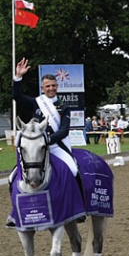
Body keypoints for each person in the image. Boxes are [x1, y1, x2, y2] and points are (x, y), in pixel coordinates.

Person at [7, 58, 84, 226]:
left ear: (57, 87)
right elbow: (17, 96)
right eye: (47, 86)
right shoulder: (36, 102)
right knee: (13, 176)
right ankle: (15, 212)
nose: (50, 89)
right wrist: (18, 77)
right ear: (42, 88)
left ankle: (79, 208)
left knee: (73, 169)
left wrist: (48, 140)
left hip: (56, 146)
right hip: (35, 147)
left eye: (53, 86)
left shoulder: (64, 107)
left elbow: (64, 130)